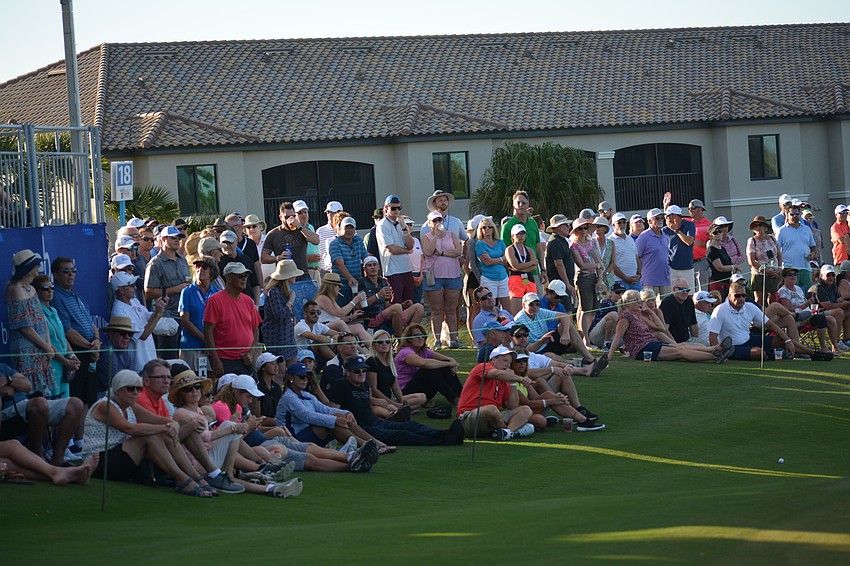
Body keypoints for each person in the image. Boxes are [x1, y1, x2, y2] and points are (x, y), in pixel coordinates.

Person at [81, 370, 216, 496]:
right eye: (130, 388)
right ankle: (187, 478)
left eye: (138, 389)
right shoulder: (105, 405)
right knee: (151, 435)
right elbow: (130, 429)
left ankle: (198, 477)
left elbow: (156, 419)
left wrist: (171, 424)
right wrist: (169, 426)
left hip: (125, 455)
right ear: (118, 389)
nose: (135, 392)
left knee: (161, 433)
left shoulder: (131, 405)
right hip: (98, 461)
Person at [326, 355, 464, 446]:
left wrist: (381, 403)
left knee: (412, 426)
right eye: (357, 371)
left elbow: (366, 403)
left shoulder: (364, 384)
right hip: (363, 428)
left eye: (363, 370)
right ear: (347, 372)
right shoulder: (340, 385)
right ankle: (444, 442)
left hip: (376, 421)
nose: (362, 373)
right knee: (402, 435)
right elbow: (334, 411)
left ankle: (444, 434)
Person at [607, 290, 734, 363]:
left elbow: (661, 327)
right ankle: (715, 354)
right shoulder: (625, 317)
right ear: (629, 303)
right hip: (643, 349)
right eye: (637, 300)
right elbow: (618, 337)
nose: (640, 303)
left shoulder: (637, 315)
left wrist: (651, 312)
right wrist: (609, 357)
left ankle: (716, 349)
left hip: (650, 344)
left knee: (682, 346)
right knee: (681, 352)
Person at [1, 362, 85, 466]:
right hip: (7, 410)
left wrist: (8, 380)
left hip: (26, 403)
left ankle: (58, 457)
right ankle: (37, 458)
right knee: (39, 403)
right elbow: (7, 392)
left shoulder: (3, 367)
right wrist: (13, 385)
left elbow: (27, 385)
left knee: (75, 404)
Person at [5, 250, 60, 396]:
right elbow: (25, 328)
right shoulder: (15, 290)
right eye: (36, 266)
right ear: (29, 268)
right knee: (32, 395)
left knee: (45, 393)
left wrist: (48, 345)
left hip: (41, 351)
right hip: (27, 352)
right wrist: (46, 347)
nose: (38, 269)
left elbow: (42, 319)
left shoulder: (32, 289)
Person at [707, 283, 804, 362]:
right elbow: (712, 336)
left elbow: (770, 324)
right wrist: (717, 355)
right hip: (733, 347)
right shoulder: (720, 310)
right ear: (729, 296)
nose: (741, 298)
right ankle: (772, 354)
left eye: (743, 296)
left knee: (784, 336)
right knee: (759, 353)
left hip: (749, 337)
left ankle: (814, 353)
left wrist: (787, 340)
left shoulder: (749, 306)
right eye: (737, 295)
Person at [508, 352, 604, 432]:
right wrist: (552, 401)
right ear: (512, 363)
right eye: (518, 361)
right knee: (541, 420)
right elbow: (528, 404)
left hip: (527, 409)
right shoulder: (511, 379)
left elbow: (535, 397)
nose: (522, 364)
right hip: (519, 412)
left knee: (548, 393)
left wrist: (554, 398)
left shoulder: (524, 377)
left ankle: (582, 419)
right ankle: (580, 418)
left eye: (524, 361)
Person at [455, 345, 535, 440]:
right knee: (491, 409)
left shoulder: (505, 381)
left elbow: (512, 406)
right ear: (493, 360)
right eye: (505, 361)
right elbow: (495, 374)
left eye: (509, 362)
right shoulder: (483, 366)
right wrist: (520, 379)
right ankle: (508, 432)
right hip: (468, 416)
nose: (507, 365)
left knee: (526, 410)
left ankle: (507, 432)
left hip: (492, 417)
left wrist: (513, 383)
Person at [514, 293, 603, 373]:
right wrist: (541, 341)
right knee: (550, 357)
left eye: (537, 304)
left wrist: (565, 333)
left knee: (567, 327)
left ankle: (589, 359)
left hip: (548, 341)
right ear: (523, 305)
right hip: (536, 349)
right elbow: (526, 348)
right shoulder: (519, 321)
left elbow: (565, 316)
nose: (535, 307)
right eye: (531, 304)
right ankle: (581, 365)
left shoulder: (542, 311)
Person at [262, 201, 321, 316]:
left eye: (293, 216)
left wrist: (298, 226)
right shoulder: (273, 234)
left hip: (303, 276)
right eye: (287, 217)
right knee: (291, 313)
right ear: (280, 217)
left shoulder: (301, 230)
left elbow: (316, 240)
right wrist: (277, 258)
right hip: (284, 281)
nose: (290, 219)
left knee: (312, 312)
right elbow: (264, 257)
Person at [203, 263, 262, 377]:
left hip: (245, 359)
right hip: (224, 359)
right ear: (229, 278)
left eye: (246, 276)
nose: (244, 278)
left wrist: (251, 352)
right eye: (240, 276)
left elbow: (256, 329)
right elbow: (208, 331)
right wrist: (215, 360)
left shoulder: (248, 301)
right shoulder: (215, 301)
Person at [144, 225, 190, 359]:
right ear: (163, 239)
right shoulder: (155, 264)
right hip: (166, 317)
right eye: (173, 238)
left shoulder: (182, 260)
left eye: (179, 238)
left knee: (182, 359)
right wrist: (175, 289)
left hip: (184, 315)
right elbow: (149, 292)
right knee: (167, 360)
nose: (177, 240)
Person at [421, 210, 464, 349]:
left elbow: (459, 251)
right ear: (429, 224)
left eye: (440, 220)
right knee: (437, 309)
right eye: (435, 221)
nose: (438, 223)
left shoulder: (451, 235)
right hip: (435, 277)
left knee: (451, 309)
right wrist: (436, 237)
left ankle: (453, 338)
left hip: (453, 275)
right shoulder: (426, 237)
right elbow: (427, 252)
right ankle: (438, 340)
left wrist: (443, 253)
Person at [33, 274, 80, 400]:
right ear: (37, 292)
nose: (49, 291)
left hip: (65, 365)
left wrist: (72, 355)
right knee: (54, 404)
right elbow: (47, 343)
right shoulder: (38, 313)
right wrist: (66, 361)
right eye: (45, 288)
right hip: (52, 365)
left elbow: (62, 336)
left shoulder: (54, 310)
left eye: (52, 288)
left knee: (66, 405)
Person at [394, 323, 463, 408]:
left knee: (441, 365)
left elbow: (447, 359)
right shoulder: (405, 352)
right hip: (406, 391)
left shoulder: (423, 351)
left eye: (422, 335)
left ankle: (463, 395)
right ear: (409, 339)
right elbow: (424, 363)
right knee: (429, 369)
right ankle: (454, 399)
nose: (420, 338)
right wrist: (448, 364)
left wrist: (452, 363)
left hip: (423, 389)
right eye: (416, 336)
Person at [777, 267, 843, 354]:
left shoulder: (798, 288)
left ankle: (835, 347)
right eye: (790, 275)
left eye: (794, 275)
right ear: (784, 278)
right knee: (822, 319)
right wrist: (806, 305)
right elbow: (787, 309)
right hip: (797, 318)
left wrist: (808, 305)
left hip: (809, 313)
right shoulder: (783, 291)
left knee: (831, 319)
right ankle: (823, 348)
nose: (793, 276)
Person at [111, 272, 167, 371]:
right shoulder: (119, 311)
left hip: (150, 360)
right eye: (131, 285)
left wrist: (159, 306)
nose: (135, 288)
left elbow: (149, 317)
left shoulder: (134, 301)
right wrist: (158, 313)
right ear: (122, 290)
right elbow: (143, 335)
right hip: (138, 366)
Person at [358, 255, 423, 336]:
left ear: (378, 267)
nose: (372, 268)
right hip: (371, 318)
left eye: (374, 265)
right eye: (369, 265)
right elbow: (359, 306)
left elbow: (386, 304)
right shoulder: (361, 283)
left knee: (418, 307)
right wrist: (378, 295)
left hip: (385, 314)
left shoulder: (383, 282)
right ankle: (401, 340)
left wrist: (402, 305)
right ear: (364, 269)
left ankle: (409, 336)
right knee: (396, 307)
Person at [367, 329, 427, 412]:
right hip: (379, 401)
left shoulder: (390, 361)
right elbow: (374, 389)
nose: (384, 344)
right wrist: (394, 403)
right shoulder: (372, 361)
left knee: (422, 397)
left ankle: (402, 409)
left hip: (390, 399)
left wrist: (401, 400)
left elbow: (395, 385)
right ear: (374, 345)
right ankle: (401, 410)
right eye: (380, 342)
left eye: (387, 342)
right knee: (392, 407)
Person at [178, 255, 220, 372]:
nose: (200, 269)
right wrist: (206, 339)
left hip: (212, 347)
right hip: (191, 345)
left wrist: (211, 343)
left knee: (211, 382)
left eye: (205, 267)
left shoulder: (217, 294)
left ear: (212, 272)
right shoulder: (187, 292)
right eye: (197, 266)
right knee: (189, 380)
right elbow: (185, 320)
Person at [500, 190, 546, 295]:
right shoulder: (508, 226)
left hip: (533, 272)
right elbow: (505, 251)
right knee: (518, 306)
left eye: (524, 203)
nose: (521, 205)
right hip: (516, 275)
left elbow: (538, 248)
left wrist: (543, 269)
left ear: (528, 205)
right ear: (513, 205)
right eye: (518, 203)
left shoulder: (533, 223)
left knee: (537, 304)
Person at [312, 273, 372, 344]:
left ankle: (373, 347)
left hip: (330, 325)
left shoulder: (330, 298)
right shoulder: (322, 298)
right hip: (322, 327)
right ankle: (356, 348)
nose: (340, 289)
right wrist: (355, 300)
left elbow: (335, 317)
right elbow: (340, 313)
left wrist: (351, 317)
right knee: (340, 323)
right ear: (333, 286)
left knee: (358, 327)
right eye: (339, 286)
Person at [262, 260, 303, 365]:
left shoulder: (285, 290)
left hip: (287, 334)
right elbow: (280, 315)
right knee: (279, 369)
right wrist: (290, 301)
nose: (295, 277)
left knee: (292, 364)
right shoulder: (274, 291)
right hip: (276, 336)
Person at [570, 217, 604, 341]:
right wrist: (598, 265)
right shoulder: (574, 246)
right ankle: (586, 340)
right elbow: (582, 265)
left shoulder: (593, 242)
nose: (583, 230)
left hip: (594, 277)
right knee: (586, 310)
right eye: (580, 228)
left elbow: (600, 261)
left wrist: (600, 278)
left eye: (585, 228)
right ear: (575, 231)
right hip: (583, 278)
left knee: (594, 309)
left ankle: (589, 337)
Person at [777, 202, 818, 290]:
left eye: (797, 214)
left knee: (807, 294)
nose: (795, 216)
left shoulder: (807, 229)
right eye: (792, 214)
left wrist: (813, 254)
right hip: (789, 268)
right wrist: (779, 267)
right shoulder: (781, 231)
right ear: (787, 215)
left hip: (805, 268)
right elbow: (777, 250)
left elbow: (813, 246)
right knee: (791, 293)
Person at [329, 215, 369, 304]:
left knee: (359, 311)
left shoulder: (358, 240)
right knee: (343, 313)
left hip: (357, 284)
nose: (349, 230)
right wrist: (350, 278)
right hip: (340, 286)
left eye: (352, 228)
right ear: (340, 228)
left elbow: (366, 257)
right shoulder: (335, 244)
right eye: (346, 227)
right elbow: (339, 263)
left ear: (355, 230)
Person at [95, 316, 138, 397]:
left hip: (122, 391)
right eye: (122, 333)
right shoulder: (106, 351)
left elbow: (132, 376)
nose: (127, 337)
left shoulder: (125, 351)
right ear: (111, 334)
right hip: (105, 395)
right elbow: (114, 382)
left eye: (130, 334)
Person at [476, 215, 511, 311]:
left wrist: (494, 260)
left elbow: (507, 259)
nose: (487, 229)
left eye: (490, 226)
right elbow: (487, 262)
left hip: (503, 277)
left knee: (508, 309)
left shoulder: (500, 242)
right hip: (489, 279)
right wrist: (501, 259)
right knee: (491, 308)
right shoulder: (480, 244)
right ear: (481, 229)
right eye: (484, 227)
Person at [219, 230, 261, 306]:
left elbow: (255, 283)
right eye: (224, 243)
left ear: (237, 242)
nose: (227, 246)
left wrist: (257, 305)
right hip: (228, 304)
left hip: (248, 303)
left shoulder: (246, 260)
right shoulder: (218, 262)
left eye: (230, 243)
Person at [505, 223, 540, 315]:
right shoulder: (510, 249)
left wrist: (520, 268)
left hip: (529, 279)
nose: (521, 236)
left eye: (522, 233)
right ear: (513, 236)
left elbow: (534, 267)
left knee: (533, 308)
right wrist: (530, 263)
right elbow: (516, 265)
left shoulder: (529, 250)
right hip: (515, 280)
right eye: (518, 234)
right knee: (516, 311)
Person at [635, 208, 671, 298]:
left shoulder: (665, 236)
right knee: (649, 307)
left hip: (665, 279)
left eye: (661, 218)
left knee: (666, 307)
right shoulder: (643, 237)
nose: (660, 220)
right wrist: (640, 273)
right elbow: (636, 256)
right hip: (649, 280)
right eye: (657, 218)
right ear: (650, 221)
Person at [747, 215, 782, 305]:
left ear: (765, 227)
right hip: (759, 274)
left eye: (760, 225)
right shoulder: (752, 241)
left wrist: (779, 269)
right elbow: (751, 261)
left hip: (774, 272)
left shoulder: (772, 238)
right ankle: (758, 317)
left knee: (774, 297)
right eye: (756, 226)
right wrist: (766, 271)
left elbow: (779, 255)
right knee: (759, 299)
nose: (758, 227)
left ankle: (772, 316)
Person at [544, 214, 577, 307]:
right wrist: (568, 284)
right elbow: (559, 264)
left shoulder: (562, 240)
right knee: (564, 312)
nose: (569, 226)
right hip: (559, 284)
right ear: (558, 227)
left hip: (565, 282)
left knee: (568, 310)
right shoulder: (555, 242)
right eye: (566, 225)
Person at [813, 264, 850, 348]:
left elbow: (839, 300)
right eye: (828, 275)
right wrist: (847, 303)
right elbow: (827, 306)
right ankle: (836, 342)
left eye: (833, 275)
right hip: (817, 313)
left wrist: (847, 304)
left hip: (829, 311)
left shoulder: (833, 286)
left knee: (848, 311)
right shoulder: (819, 288)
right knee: (839, 311)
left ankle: (847, 339)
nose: (831, 277)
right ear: (821, 276)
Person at [663, 204, 696, 292]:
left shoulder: (689, 225)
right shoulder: (665, 230)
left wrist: (677, 231)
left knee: (689, 294)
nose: (667, 219)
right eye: (666, 217)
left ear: (676, 216)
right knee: (672, 294)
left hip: (687, 267)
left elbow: (689, 241)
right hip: (671, 268)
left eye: (669, 216)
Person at [608, 212, 642, 291]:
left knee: (640, 302)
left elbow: (636, 258)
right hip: (619, 281)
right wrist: (625, 278)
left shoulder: (630, 239)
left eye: (624, 222)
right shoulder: (610, 241)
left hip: (635, 281)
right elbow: (611, 264)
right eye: (619, 223)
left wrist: (639, 274)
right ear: (613, 225)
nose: (622, 224)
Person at [586, 282, 625, 349]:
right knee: (614, 315)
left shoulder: (626, 305)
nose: (620, 295)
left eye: (623, 293)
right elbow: (618, 318)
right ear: (611, 293)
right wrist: (620, 307)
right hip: (598, 336)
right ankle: (606, 344)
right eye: (618, 292)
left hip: (614, 336)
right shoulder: (607, 303)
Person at [660, 279, 699, 343]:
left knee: (702, 346)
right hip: (673, 342)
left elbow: (693, 324)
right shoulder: (668, 303)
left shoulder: (689, 301)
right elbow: (665, 329)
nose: (685, 292)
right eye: (682, 289)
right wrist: (675, 345)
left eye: (687, 290)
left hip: (686, 340)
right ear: (674, 289)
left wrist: (696, 341)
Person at [706, 222, 737, 300]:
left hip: (727, 282)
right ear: (710, 235)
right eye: (715, 232)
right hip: (717, 283)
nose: (719, 234)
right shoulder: (711, 250)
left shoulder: (722, 248)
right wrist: (734, 267)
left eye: (720, 231)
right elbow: (720, 267)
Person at [687, 199, 712, 292]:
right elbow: (671, 223)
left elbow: (715, 244)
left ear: (700, 209)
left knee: (703, 290)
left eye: (693, 208)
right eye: (689, 208)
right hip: (687, 263)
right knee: (689, 291)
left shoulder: (709, 225)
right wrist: (666, 206)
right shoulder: (687, 222)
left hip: (701, 262)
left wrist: (701, 243)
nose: (690, 210)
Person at [318, 201, 345, 276]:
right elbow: (320, 253)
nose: (330, 215)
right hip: (326, 271)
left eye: (333, 213)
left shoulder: (349, 230)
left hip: (346, 269)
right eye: (328, 212)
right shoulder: (320, 231)